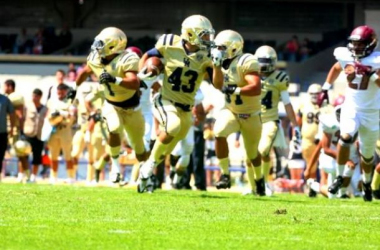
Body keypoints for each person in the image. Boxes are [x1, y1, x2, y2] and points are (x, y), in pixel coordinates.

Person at [137, 15, 216, 193]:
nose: (207, 39)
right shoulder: (168, 43)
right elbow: (148, 56)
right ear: (190, 34)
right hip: (165, 99)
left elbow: (218, 84)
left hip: (187, 108)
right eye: (204, 35)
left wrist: (217, 64)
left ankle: (146, 171)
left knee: (170, 147)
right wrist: (141, 77)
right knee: (172, 126)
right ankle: (149, 167)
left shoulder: (207, 55)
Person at [75, 27, 146, 183]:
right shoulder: (95, 58)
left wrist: (115, 80)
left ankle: (146, 174)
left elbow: (134, 83)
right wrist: (75, 88)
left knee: (139, 148)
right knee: (114, 129)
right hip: (111, 104)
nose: (97, 47)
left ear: (114, 45)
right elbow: (85, 71)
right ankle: (114, 168)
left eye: (102, 43)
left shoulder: (127, 58)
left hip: (132, 109)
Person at [321, 25, 380, 202]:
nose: (356, 48)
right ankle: (340, 178)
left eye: (360, 44)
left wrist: (371, 76)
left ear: (370, 44)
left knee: (367, 155)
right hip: (351, 108)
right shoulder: (345, 55)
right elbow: (336, 68)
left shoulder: (377, 60)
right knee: (345, 138)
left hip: (372, 112)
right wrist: (325, 87)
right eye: (354, 44)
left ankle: (367, 183)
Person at [210, 30, 264, 195]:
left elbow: (255, 87)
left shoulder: (246, 60)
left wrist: (236, 90)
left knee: (252, 154)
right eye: (217, 46)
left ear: (233, 47)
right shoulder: (221, 61)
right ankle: (225, 175)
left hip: (251, 114)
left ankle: (260, 179)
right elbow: (218, 85)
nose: (218, 50)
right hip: (231, 111)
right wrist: (217, 66)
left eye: (222, 47)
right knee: (218, 132)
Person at [255, 45, 301, 196]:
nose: (263, 65)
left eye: (266, 62)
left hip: (270, 120)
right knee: (251, 156)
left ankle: (266, 182)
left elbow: (287, 104)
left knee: (264, 151)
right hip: (253, 120)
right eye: (260, 62)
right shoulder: (250, 76)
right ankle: (253, 185)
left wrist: (296, 126)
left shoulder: (280, 78)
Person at [46, 84, 75, 184]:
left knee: (68, 155)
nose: (60, 93)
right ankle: (53, 176)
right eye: (59, 91)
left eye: (63, 91)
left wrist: (62, 114)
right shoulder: (52, 102)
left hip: (65, 130)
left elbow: (72, 116)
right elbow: (48, 115)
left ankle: (71, 177)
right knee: (53, 155)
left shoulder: (70, 102)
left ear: (66, 91)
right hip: (54, 130)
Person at [3, 79, 28, 183]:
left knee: (20, 153)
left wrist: (20, 130)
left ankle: (24, 175)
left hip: (13, 129)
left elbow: (20, 114)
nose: (3, 88)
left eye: (4, 86)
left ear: (9, 86)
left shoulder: (15, 97)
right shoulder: (7, 97)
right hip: (5, 128)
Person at [297, 83, 322, 181]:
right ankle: (311, 186)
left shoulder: (326, 106)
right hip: (307, 140)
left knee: (324, 165)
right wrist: (295, 137)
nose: (314, 96)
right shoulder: (304, 106)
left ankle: (323, 185)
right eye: (312, 93)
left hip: (322, 141)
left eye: (317, 93)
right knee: (310, 164)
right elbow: (297, 122)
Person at [23, 88, 48, 183]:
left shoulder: (45, 109)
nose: (34, 98)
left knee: (37, 157)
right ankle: (24, 175)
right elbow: (22, 118)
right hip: (28, 134)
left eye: (36, 96)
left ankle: (33, 176)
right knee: (24, 156)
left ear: (40, 97)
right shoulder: (27, 106)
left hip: (39, 135)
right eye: (33, 96)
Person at [0, 92, 15, 181]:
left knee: (0, 155)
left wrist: (12, 127)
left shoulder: (5, 99)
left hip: (2, 132)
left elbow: (12, 113)